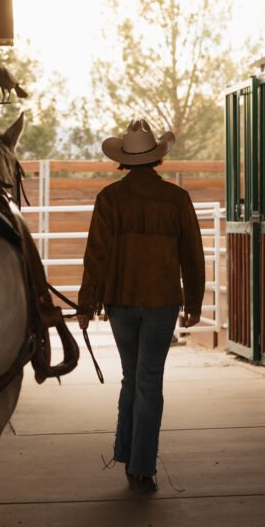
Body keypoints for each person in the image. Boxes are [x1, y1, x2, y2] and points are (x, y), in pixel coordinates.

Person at [77, 119, 205, 494]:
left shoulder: (109, 198)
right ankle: (142, 467)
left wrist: (86, 303)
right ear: (155, 160)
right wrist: (194, 301)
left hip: (120, 301)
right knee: (149, 381)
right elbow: (192, 255)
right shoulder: (177, 199)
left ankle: (127, 455)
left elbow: (95, 256)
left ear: (124, 161)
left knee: (131, 378)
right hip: (163, 300)